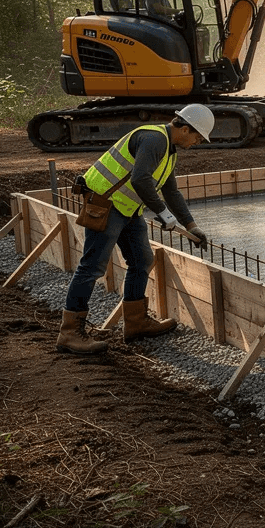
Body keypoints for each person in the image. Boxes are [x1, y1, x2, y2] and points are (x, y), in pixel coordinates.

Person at [58, 105, 214, 354]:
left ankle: (135, 323)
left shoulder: (169, 152)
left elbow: (170, 191)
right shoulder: (154, 139)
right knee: (92, 267)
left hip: (127, 208)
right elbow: (140, 179)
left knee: (142, 260)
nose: (197, 142)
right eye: (197, 137)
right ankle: (69, 333)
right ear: (185, 129)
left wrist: (191, 226)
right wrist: (163, 213)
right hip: (105, 204)